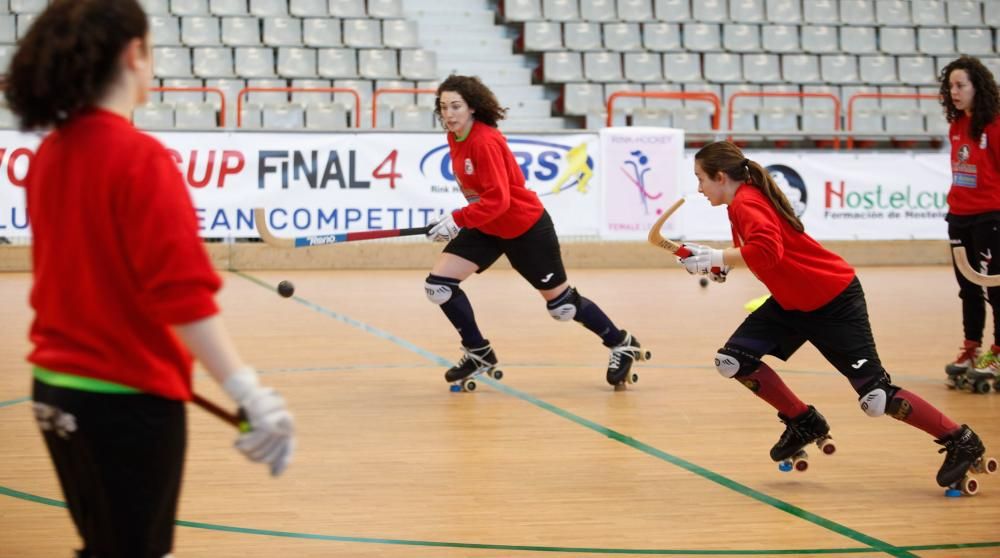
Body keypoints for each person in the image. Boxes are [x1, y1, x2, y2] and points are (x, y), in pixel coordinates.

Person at [5, 1, 295, 556]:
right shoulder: (140, 158)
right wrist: (248, 393)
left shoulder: (50, 154)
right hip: (124, 404)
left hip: (54, 393)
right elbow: (182, 296)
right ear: (134, 54)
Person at [677, 140, 989, 490]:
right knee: (733, 361)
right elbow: (763, 254)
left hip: (833, 301)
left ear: (720, 177)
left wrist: (715, 258)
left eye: (700, 179)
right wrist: (720, 265)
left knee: (877, 398)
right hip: (792, 302)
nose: (699, 188)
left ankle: (960, 440)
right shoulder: (740, 203)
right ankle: (803, 421)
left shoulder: (748, 202)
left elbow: (766, 251)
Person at [425, 75, 649, 390]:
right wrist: (458, 219)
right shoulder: (456, 136)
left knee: (562, 307)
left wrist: (458, 219)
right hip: (489, 224)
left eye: (456, 106)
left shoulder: (484, 140)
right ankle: (478, 352)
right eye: (444, 107)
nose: (449, 114)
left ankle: (621, 342)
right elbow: (483, 199)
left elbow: (500, 200)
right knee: (439, 287)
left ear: (472, 107)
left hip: (523, 226)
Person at [939, 55, 1000, 389]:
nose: (954, 92)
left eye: (961, 85)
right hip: (959, 217)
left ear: (979, 87)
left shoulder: (995, 125)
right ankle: (972, 347)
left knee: (996, 289)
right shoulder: (956, 125)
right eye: (950, 86)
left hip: (990, 217)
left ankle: (998, 351)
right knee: (968, 289)